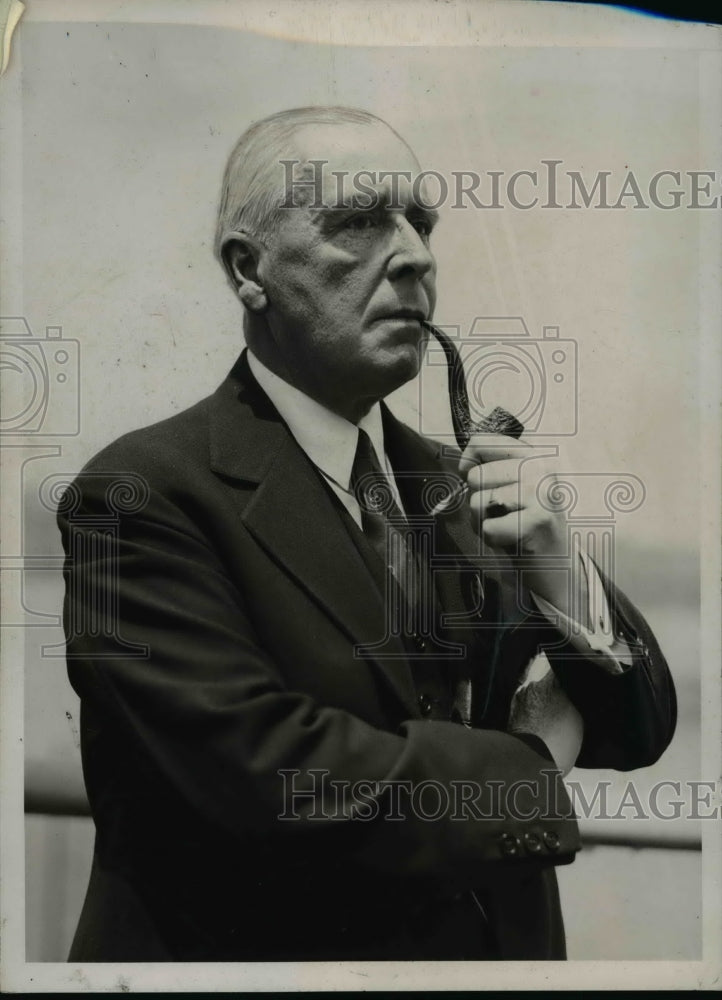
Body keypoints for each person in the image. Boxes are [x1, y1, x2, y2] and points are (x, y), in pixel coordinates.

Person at [58, 106, 676, 962]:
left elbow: (641, 729)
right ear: (251, 269)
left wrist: (561, 575)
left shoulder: (455, 485)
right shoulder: (138, 496)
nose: (417, 255)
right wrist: (536, 758)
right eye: (356, 221)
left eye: (420, 221)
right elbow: (274, 778)